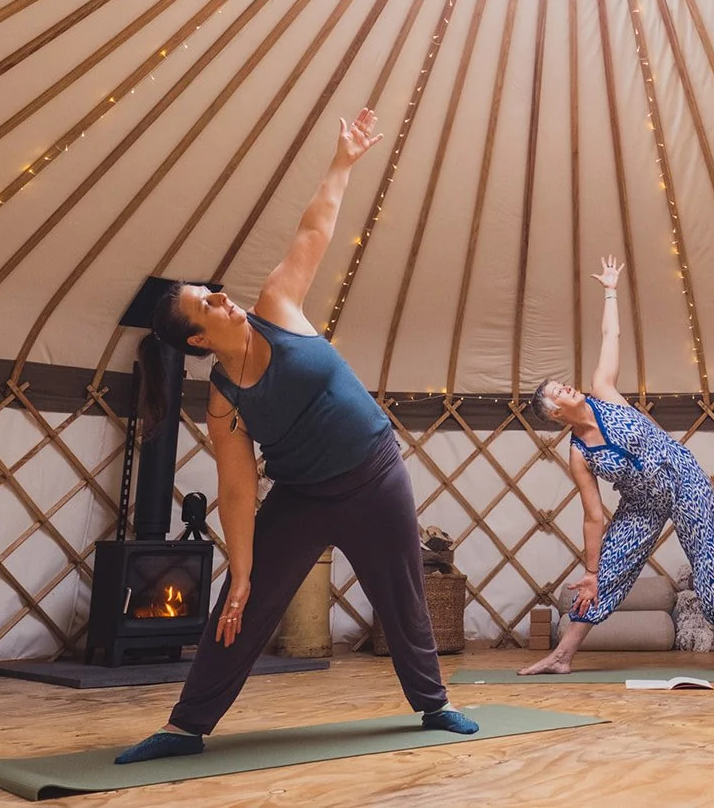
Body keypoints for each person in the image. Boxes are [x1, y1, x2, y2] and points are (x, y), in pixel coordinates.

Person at [115, 109, 477, 764]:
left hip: (374, 471)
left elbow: (314, 230)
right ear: (199, 339)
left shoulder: (276, 304)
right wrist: (245, 568)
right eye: (208, 304)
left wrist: (342, 160)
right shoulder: (222, 400)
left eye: (214, 292)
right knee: (239, 600)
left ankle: (433, 703)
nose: (223, 300)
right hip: (304, 493)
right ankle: (185, 726)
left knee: (403, 591)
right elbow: (236, 485)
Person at [519, 257, 714, 679]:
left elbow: (612, 334)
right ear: (554, 413)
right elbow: (593, 516)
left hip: (681, 477)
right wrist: (590, 571)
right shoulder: (578, 453)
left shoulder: (603, 393)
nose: (565, 386)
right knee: (606, 569)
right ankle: (562, 656)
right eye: (557, 392)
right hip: (642, 501)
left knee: (711, 556)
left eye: (561, 383)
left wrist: (610, 290)